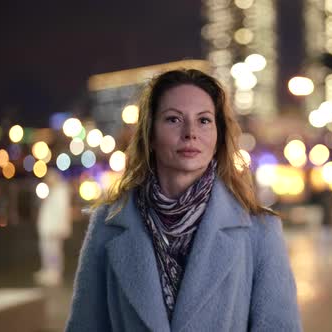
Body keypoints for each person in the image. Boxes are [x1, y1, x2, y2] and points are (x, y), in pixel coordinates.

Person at [66, 69, 302, 331]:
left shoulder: (260, 231)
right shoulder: (108, 224)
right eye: (173, 119)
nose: (190, 133)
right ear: (150, 134)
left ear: (218, 136)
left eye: (203, 120)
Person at [34, 168, 72, 286]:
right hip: (47, 229)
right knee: (46, 250)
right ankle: (48, 271)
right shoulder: (52, 192)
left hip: (54, 229)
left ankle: (55, 273)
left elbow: (61, 213)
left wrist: (59, 228)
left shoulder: (61, 192)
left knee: (54, 252)